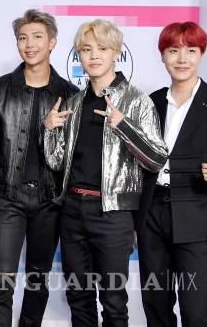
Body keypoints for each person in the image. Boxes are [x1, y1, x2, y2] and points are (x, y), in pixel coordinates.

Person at [43, 19, 168, 327]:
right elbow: (56, 162)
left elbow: (156, 159)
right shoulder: (74, 103)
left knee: (113, 302)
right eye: (86, 49)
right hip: (73, 210)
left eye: (102, 48)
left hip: (113, 214)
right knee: (78, 297)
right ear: (79, 56)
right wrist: (49, 130)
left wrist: (123, 126)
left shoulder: (137, 100)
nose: (94, 55)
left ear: (115, 52)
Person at [0, 9, 78, 326]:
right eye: (23, 38)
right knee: (1, 286)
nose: (29, 44)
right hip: (6, 200)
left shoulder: (70, 95)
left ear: (52, 42)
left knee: (37, 281)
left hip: (49, 203)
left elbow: (70, 158)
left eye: (37, 37)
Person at [137, 21, 207, 327]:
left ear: (202, 55)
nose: (182, 59)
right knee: (156, 306)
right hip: (152, 213)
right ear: (162, 55)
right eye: (173, 51)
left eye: (191, 50)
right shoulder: (152, 102)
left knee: (194, 312)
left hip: (197, 211)